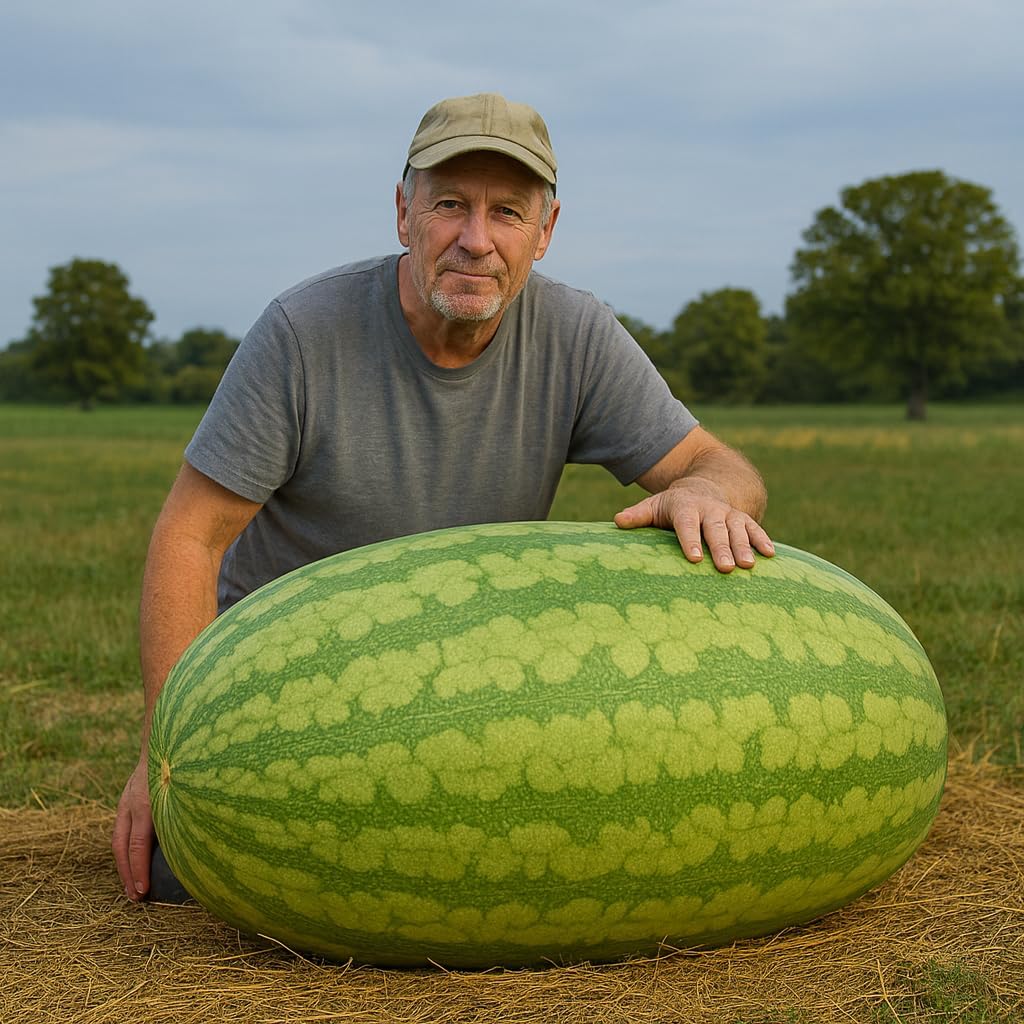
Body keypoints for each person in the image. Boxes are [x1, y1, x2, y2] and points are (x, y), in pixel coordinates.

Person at [112, 92, 774, 902]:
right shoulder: (300, 334)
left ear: (546, 230)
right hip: (273, 709)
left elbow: (721, 465)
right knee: (196, 889)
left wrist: (706, 492)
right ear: (403, 213)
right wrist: (165, 750)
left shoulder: (578, 335)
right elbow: (191, 537)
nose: (476, 239)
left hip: (465, 708)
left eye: (507, 212)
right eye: (450, 205)